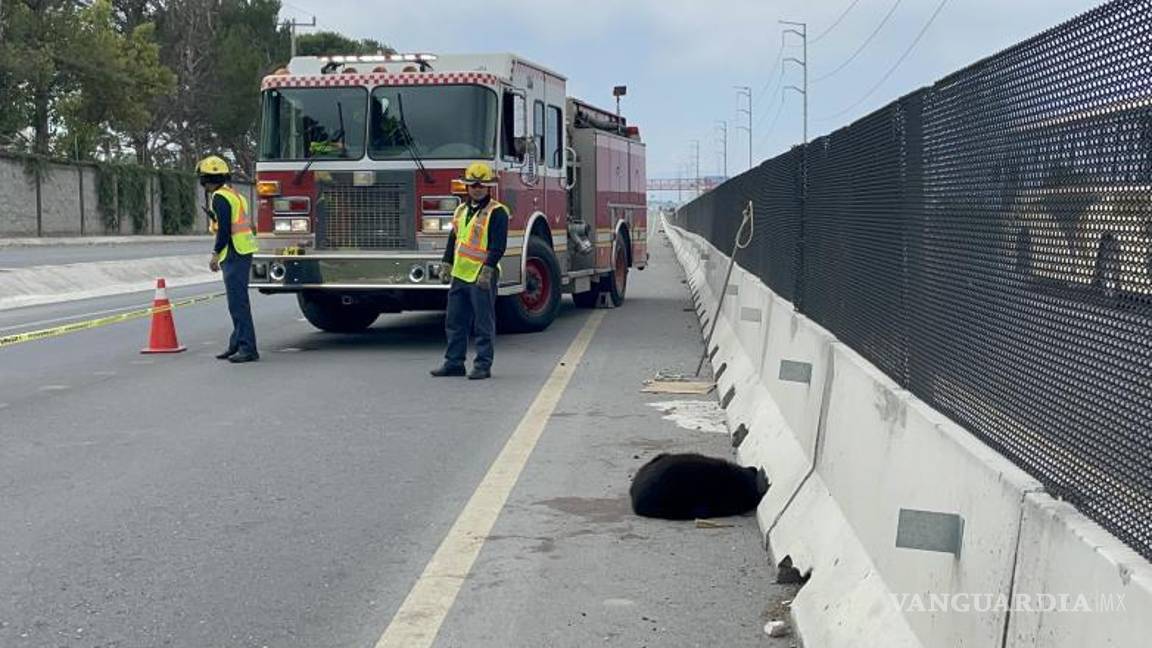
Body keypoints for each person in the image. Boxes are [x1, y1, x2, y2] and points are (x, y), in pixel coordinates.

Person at [431, 162, 508, 380]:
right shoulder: (461, 210)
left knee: (483, 322)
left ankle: (483, 365)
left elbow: (498, 246)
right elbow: (454, 238)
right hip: (460, 274)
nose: (477, 188)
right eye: (473, 185)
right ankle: (454, 363)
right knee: (455, 321)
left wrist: (488, 269)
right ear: (467, 187)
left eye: (481, 185)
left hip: (481, 276)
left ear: (489, 187)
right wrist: (446, 263)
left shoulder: (497, 212)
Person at [199, 155, 260, 363]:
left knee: (237, 302)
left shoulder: (218, 197)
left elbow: (224, 230)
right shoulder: (236, 195)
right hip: (243, 250)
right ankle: (236, 342)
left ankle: (247, 348)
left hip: (233, 252)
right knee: (238, 301)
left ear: (205, 179)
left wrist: (215, 254)